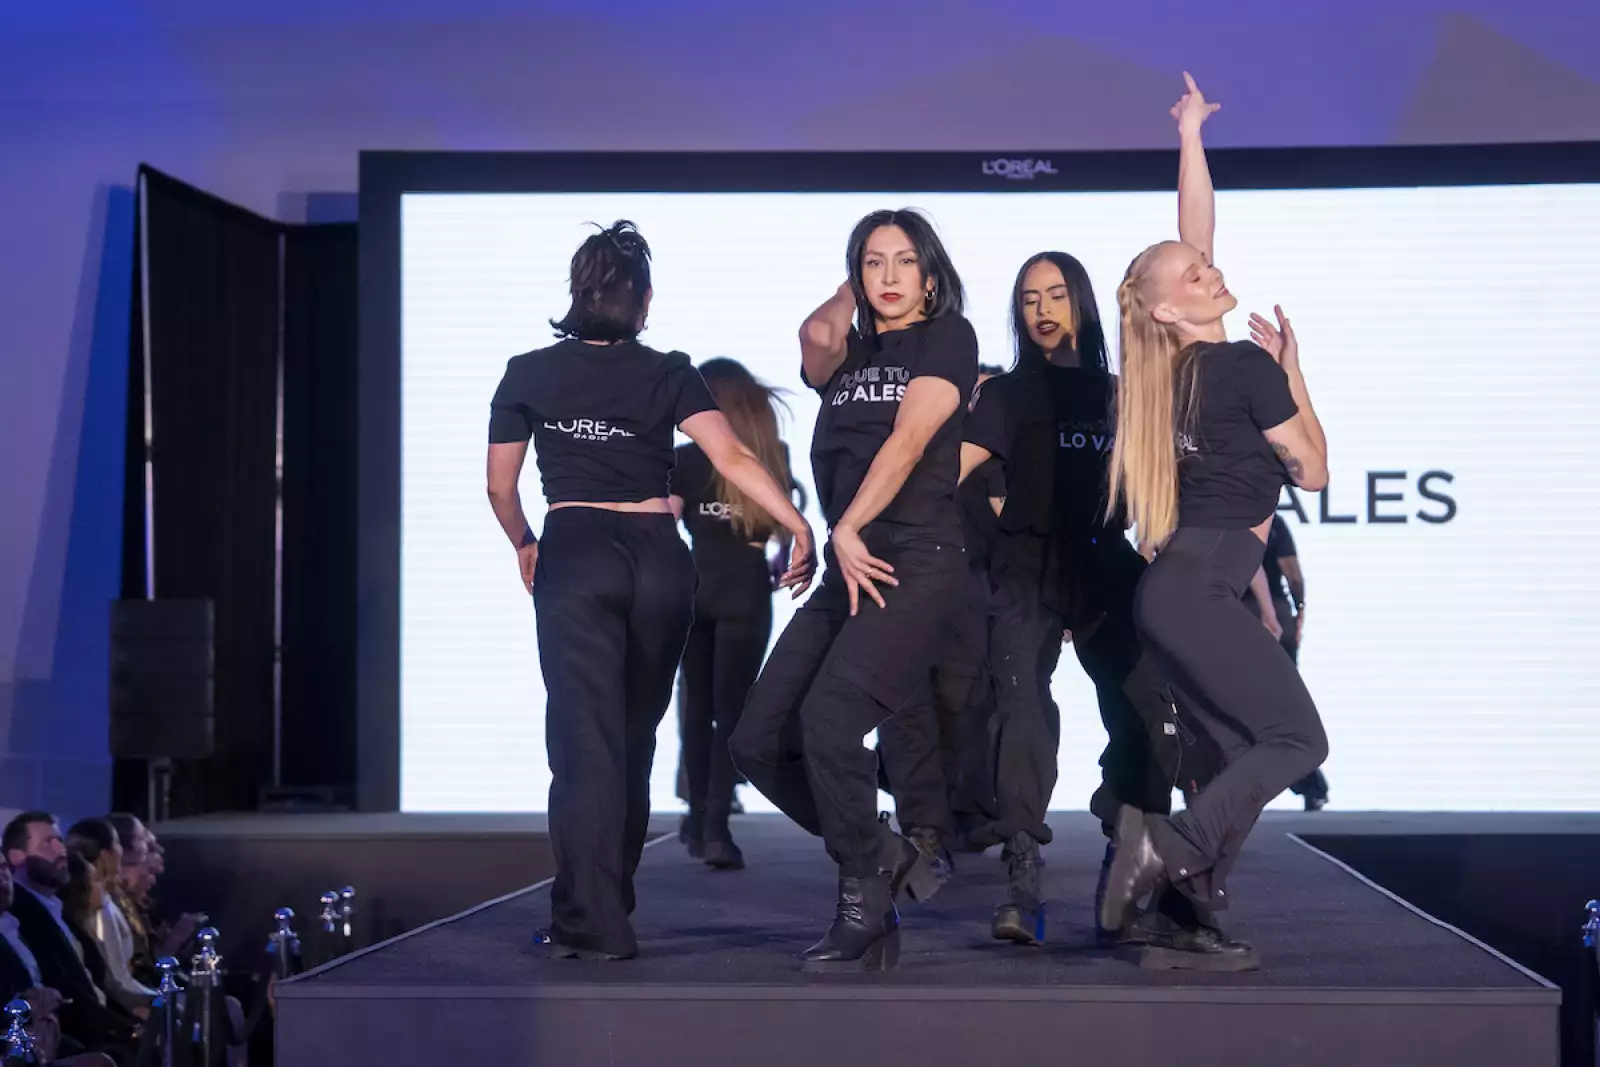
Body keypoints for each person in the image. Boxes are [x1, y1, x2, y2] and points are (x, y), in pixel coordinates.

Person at [486, 220, 815, 961]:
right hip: (661, 563)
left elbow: (500, 486)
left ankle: (592, 918)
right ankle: (611, 903)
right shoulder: (671, 370)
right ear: (645, 301)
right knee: (632, 742)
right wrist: (798, 523)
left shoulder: (527, 372)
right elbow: (731, 455)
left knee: (585, 746)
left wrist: (525, 543)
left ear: (577, 292)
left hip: (577, 552)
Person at [1098, 73, 1331, 971]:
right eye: (1195, 275)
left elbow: (1187, 242)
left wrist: (1191, 136)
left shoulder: (1162, 373)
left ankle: (1185, 917)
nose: (1212, 270)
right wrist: (1295, 370)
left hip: (1175, 591)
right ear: (1170, 307)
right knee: (1299, 740)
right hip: (1200, 587)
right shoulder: (1244, 368)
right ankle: (1165, 846)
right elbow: (1313, 469)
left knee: (1238, 752)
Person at [731, 208, 978, 972]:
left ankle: (862, 905)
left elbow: (908, 442)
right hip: (851, 559)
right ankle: (884, 854)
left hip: (914, 556)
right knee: (757, 740)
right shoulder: (848, 353)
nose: (890, 276)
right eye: (875, 262)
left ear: (931, 275)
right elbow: (815, 331)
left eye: (906, 261)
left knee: (832, 718)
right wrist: (856, 282)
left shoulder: (948, 338)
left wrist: (847, 526)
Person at [959, 251, 1184, 947]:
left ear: (1082, 303)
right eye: (1030, 299)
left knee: (1148, 712)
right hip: (1026, 565)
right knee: (1022, 709)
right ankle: (1022, 878)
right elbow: (954, 475)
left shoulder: (1120, 393)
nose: (1043, 310)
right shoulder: (1005, 394)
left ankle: (1125, 846)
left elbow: (1154, 484)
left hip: (1104, 561)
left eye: (1056, 295)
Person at [871, 363, 1008, 878]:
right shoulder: (909, 442)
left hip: (970, 585)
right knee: (905, 708)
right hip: (902, 575)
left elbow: (1009, 522)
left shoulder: (994, 456)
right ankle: (924, 827)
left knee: (964, 704)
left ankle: (962, 813)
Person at [669, 357, 802, 870]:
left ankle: (699, 816)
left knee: (696, 707)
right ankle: (717, 829)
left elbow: (665, 523)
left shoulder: (686, 459)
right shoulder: (771, 456)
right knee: (732, 712)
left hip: (694, 587)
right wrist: (780, 553)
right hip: (746, 591)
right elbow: (784, 526)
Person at [2, 814, 137, 1064]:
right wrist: (126, 1030)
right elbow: (66, 988)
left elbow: (95, 980)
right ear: (17, 857)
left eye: (59, 840)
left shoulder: (54, 909)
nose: (61, 849)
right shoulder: (25, 913)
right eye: (48, 843)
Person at [1244, 516, 1328, 810]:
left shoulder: (1219, 518)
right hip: (1275, 616)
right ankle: (1311, 786)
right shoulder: (1274, 524)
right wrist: (1299, 608)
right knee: (1285, 708)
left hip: (1236, 613)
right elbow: (1292, 573)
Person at [64, 821, 155, 1014]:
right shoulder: (99, 912)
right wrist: (155, 1000)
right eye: (117, 845)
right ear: (107, 854)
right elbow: (116, 979)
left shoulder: (110, 900)